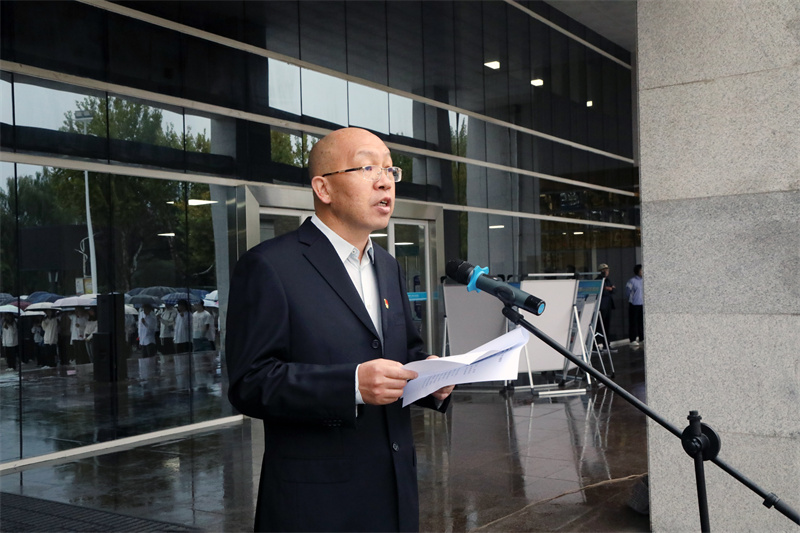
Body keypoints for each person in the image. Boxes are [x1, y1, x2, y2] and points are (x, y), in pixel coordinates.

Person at [226, 127, 455, 532]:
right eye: (368, 168)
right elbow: (250, 382)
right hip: (317, 503)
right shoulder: (270, 266)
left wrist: (431, 376)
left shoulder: (387, 266)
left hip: (394, 492)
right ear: (324, 188)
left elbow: (404, 352)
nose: (385, 181)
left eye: (390, 170)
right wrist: (351, 385)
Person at [595, 263, 616, 346]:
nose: (607, 272)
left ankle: (606, 344)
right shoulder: (598, 280)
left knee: (607, 325)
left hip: (608, 305)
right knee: (599, 325)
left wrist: (609, 289)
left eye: (607, 270)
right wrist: (606, 288)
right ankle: (597, 343)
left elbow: (613, 290)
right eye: (604, 270)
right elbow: (599, 291)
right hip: (601, 306)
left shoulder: (608, 280)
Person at [625, 264, 644, 347]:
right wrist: (631, 299)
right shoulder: (632, 281)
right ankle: (632, 339)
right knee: (633, 322)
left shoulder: (644, 280)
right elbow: (627, 292)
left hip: (642, 304)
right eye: (641, 270)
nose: (643, 272)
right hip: (634, 304)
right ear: (638, 271)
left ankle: (642, 338)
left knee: (641, 322)